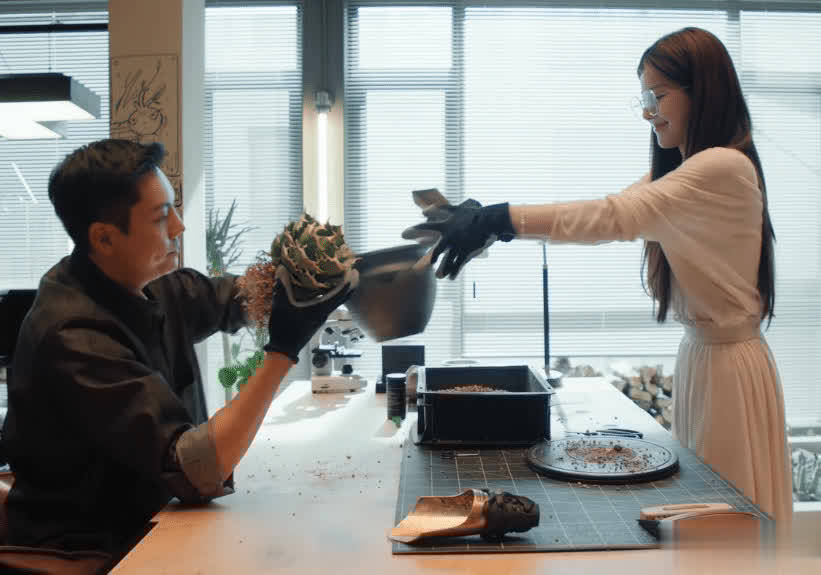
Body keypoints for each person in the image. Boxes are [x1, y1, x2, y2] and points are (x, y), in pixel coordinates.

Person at [404, 27, 792, 531]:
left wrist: (498, 219)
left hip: (728, 371)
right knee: (707, 525)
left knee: (725, 533)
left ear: (702, 90)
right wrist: (494, 225)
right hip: (705, 360)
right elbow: (607, 212)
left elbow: (612, 216)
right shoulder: (686, 172)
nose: (649, 113)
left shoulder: (720, 167)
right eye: (645, 99)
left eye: (658, 96)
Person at [0, 139, 353, 571]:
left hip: (157, 522)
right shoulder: (74, 336)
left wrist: (311, 277)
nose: (179, 226)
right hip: (92, 551)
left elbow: (234, 298)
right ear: (104, 237)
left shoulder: (149, 283)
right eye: (160, 216)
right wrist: (281, 352)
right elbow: (195, 470)